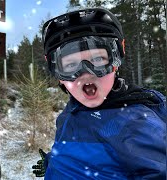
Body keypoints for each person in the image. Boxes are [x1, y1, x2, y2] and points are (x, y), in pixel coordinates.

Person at [32, 7, 167, 179]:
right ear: (59, 76)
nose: (86, 73)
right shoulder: (72, 110)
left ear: (115, 62)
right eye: (71, 65)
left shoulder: (137, 124)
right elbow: (85, 150)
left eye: (97, 59)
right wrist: (55, 163)